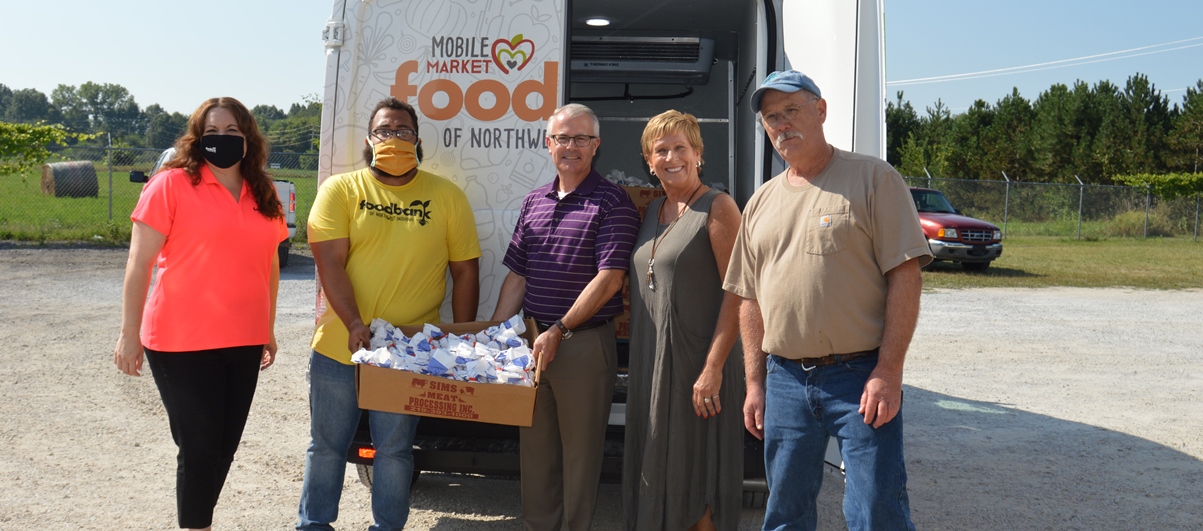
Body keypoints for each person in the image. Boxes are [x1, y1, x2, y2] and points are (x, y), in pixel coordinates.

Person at [724, 70, 933, 531]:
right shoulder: (760, 202)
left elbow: (906, 276)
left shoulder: (873, 178)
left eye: (792, 111)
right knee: (785, 512)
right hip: (784, 381)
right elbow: (750, 299)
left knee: (876, 509)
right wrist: (755, 383)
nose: (781, 125)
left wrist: (889, 370)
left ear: (820, 111)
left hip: (858, 377)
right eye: (770, 117)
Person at [297, 97, 481, 531]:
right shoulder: (340, 190)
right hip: (340, 345)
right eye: (384, 130)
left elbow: (466, 272)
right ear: (368, 139)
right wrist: (355, 323)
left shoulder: (447, 196)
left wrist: (457, 339)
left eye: (403, 131)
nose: (394, 138)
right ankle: (314, 525)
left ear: (417, 141)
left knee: (394, 450)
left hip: (407, 352)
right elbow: (330, 264)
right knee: (325, 446)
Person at [114, 97, 287, 531]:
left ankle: (198, 521)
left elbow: (269, 263)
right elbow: (139, 264)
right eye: (213, 132)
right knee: (200, 446)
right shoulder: (170, 185)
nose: (222, 140)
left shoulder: (264, 192)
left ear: (248, 139)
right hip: (179, 340)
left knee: (224, 447)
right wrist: (128, 334)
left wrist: (266, 329)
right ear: (197, 137)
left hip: (243, 338)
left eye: (233, 132)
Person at [490, 103, 640, 531]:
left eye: (580, 139)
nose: (570, 147)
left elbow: (610, 280)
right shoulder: (533, 200)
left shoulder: (614, 202)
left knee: (580, 453)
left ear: (596, 146)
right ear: (547, 143)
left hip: (584, 345)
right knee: (535, 449)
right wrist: (495, 335)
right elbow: (518, 276)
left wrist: (560, 329)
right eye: (562, 138)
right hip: (532, 342)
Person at [623, 110, 745, 531]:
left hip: (699, 368)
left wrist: (713, 369)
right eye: (661, 150)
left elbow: (741, 292)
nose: (671, 157)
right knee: (660, 467)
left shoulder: (719, 207)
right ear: (648, 159)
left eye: (681, 148)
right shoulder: (654, 209)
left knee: (698, 481)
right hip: (653, 365)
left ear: (698, 155)